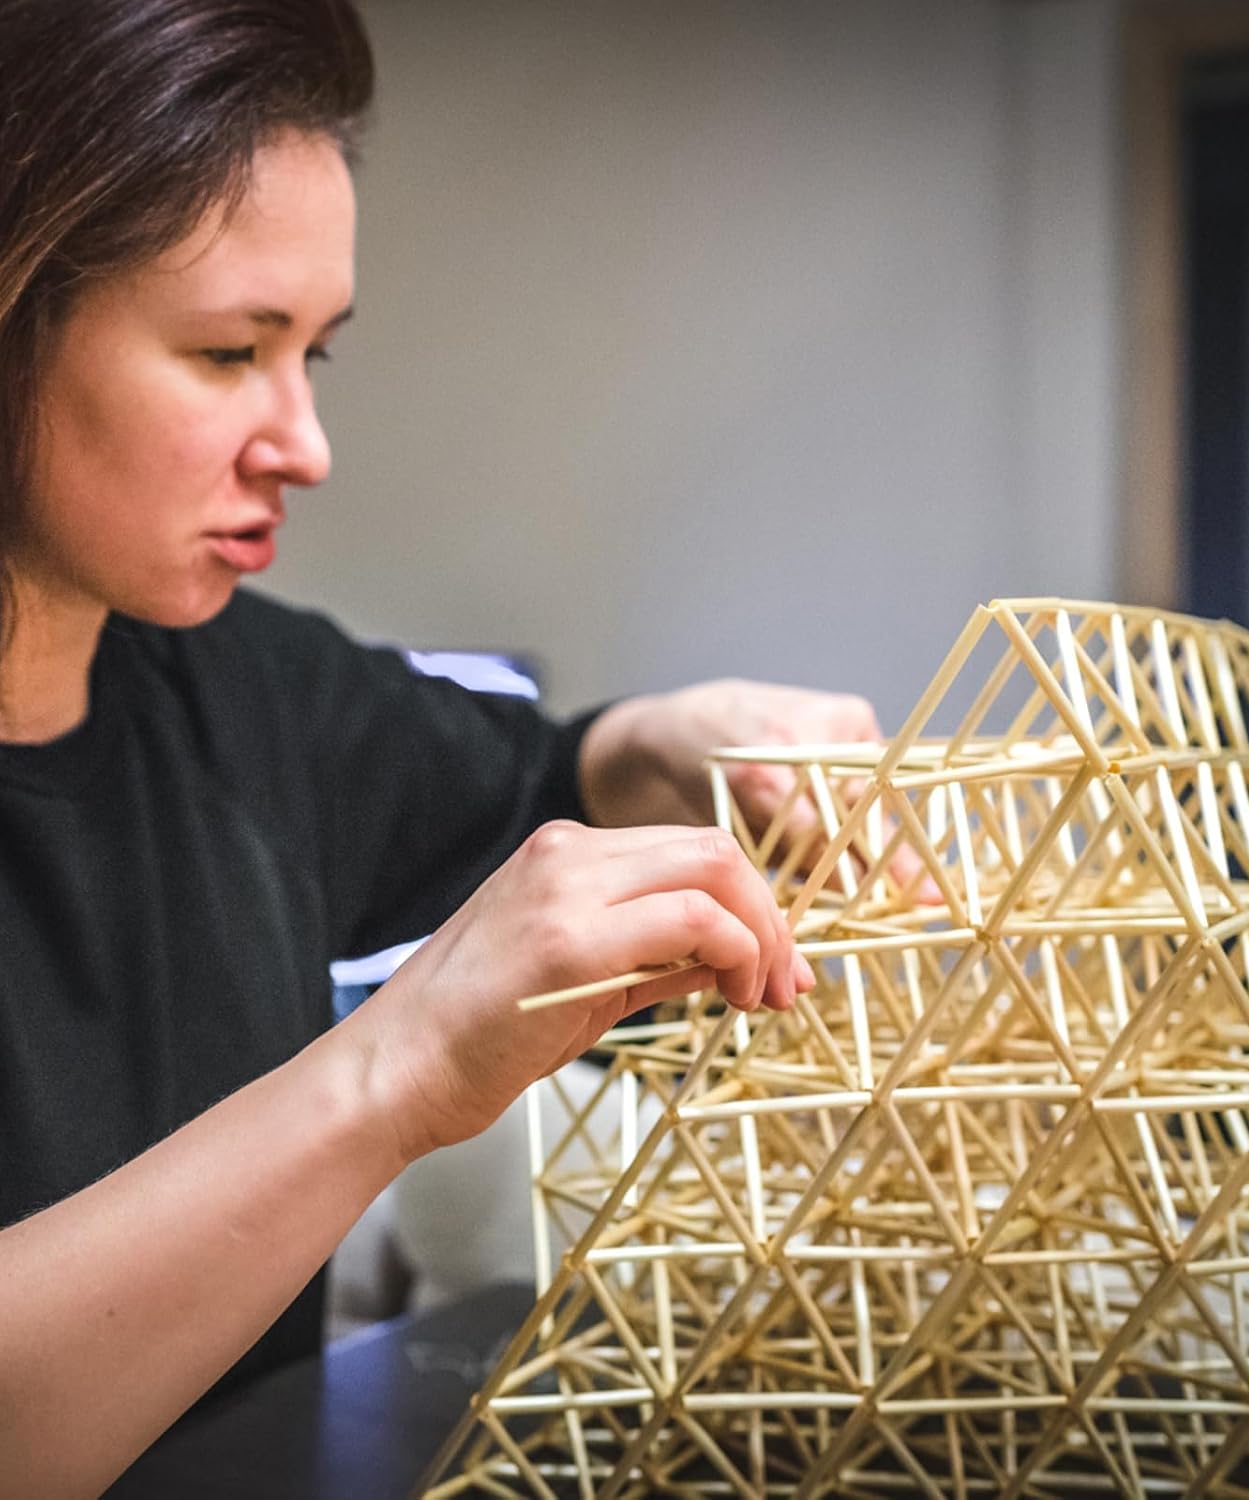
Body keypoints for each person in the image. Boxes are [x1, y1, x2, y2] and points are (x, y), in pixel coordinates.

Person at [0, 2, 894, 1493]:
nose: (304, 445)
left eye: (314, 355)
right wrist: (395, 1073)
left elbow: (534, 777)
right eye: (228, 352)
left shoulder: (248, 687)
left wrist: (669, 742)